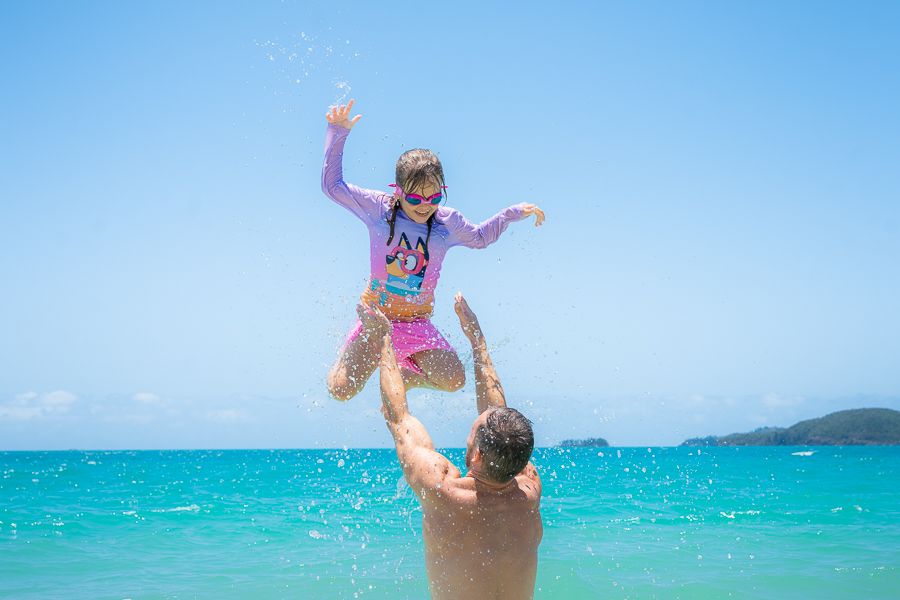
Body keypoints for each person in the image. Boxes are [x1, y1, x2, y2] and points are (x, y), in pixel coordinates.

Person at [322, 99, 545, 400]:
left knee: (454, 380)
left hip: (416, 323)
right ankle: (357, 349)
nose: (425, 206)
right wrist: (338, 132)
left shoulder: (447, 223)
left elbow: (480, 238)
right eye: (415, 199)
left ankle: (407, 376)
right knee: (341, 391)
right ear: (398, 192)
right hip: (375, 319)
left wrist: (511, 214)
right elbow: (333, 187)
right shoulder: (379, 209)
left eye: (434, 197)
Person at [376, 292, 543, 600]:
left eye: (472, 431)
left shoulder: (444, 492)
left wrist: (384, 339)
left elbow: (399, 419)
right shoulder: (529, 490)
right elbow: (501, 424)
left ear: (477, 454)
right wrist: (478, 343)